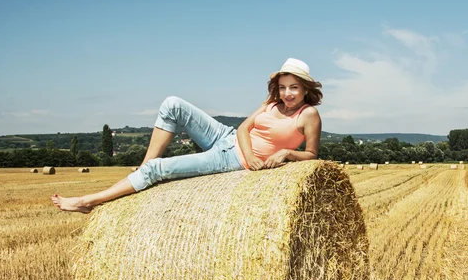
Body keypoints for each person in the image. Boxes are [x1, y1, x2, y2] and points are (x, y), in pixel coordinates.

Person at [52, 58, 323, 213]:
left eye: (294, 88)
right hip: (227, 138)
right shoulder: (271, 104)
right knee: (173, 104)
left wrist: (287, 153)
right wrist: (252, 154)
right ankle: (145, 168)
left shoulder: (308, 115)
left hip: (231, 161)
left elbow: (312, 154)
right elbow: (242, 129)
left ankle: (89, 201)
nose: (287, 93)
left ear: (305, 89)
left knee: (161, 170)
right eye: (283, 87)